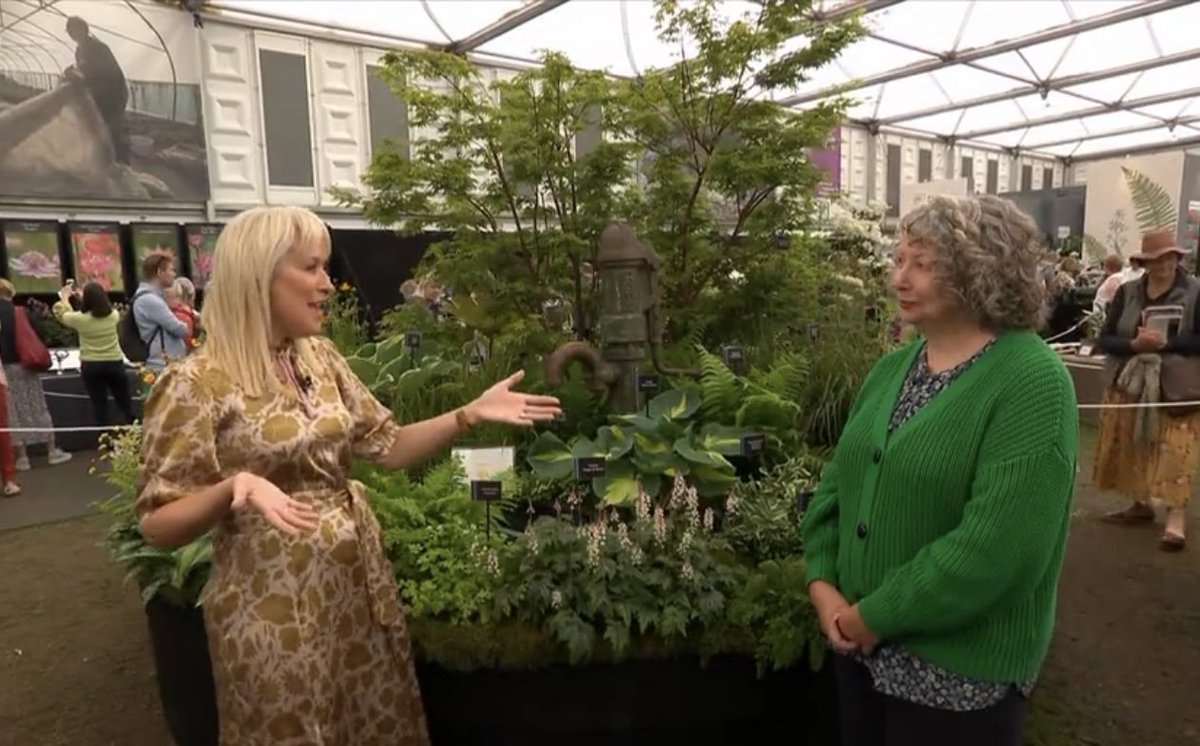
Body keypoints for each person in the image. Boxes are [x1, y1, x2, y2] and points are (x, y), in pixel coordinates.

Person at [135, 205, 562, 745]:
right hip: (272, 617)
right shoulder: (197, 384)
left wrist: (466, 414)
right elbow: (158, 521)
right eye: (311, 268)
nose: (328, 284)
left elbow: (388, 446)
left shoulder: (321, 359)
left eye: (326, 268)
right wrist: (231, 489)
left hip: (353, 599)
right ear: (260, 274)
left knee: (369, 725)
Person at [803, 195, 1078, 746]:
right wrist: (822, 586)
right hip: (859, 656)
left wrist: (871, 617)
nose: (899, 278)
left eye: (922, 264)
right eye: (899, 259)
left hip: (955, 680)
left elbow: (997, 551)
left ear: (981, 272)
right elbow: (837, 488)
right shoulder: (893, 368)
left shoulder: (1032, 382)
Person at [1094, 232, 1200, 551]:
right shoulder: (1128, 293)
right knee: (1133, 444)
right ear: (1145, 263)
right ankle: (1140, 505)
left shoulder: (1195, 292)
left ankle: (1176, 518)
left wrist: (1171, 343)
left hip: (1178, 386)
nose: (1165, 264)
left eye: (1170, 258)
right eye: (1157, 259)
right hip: (1132, 381)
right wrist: (1132, 345)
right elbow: (1104, 338)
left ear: (1178, 259)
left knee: (1176, 449)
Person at [0, 279, 71, 471]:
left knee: (13, 411)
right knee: (37, 405)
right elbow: (40, 335)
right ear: (9, 292)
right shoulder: (21, 312)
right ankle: (51, 451)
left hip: (4, 368)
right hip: (27, 365)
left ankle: (22, 457)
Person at [53, 281, 133, 425]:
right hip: (114, 363)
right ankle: (135, 432)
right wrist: (83, 297)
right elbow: (98, 305)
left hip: (91, 365)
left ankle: (106, 441)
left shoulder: (80, 320)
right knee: (125, 403)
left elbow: (62, 313)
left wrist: (64, 298)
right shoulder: (113, 316)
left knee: (100, 406)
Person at [65, 16, 130, 165]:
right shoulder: (79, 50)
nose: (70, 34)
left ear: (83, 29)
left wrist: (78, 71)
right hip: (98, 95)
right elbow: (84, 69)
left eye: (72, 29)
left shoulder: (98, 47)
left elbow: (101, 70)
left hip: (113, 94)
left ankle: (122, 166)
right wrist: (75, 72)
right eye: (68, 31)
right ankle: (106, 163)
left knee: (112, 131)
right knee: (99, 129)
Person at [132, 254, 189, 372]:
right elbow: (179, 329)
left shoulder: (149, 297)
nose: (174, 274)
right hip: (162, 364)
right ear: (159, 272)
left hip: (165, 363)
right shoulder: (151, 300)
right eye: (171, 270)